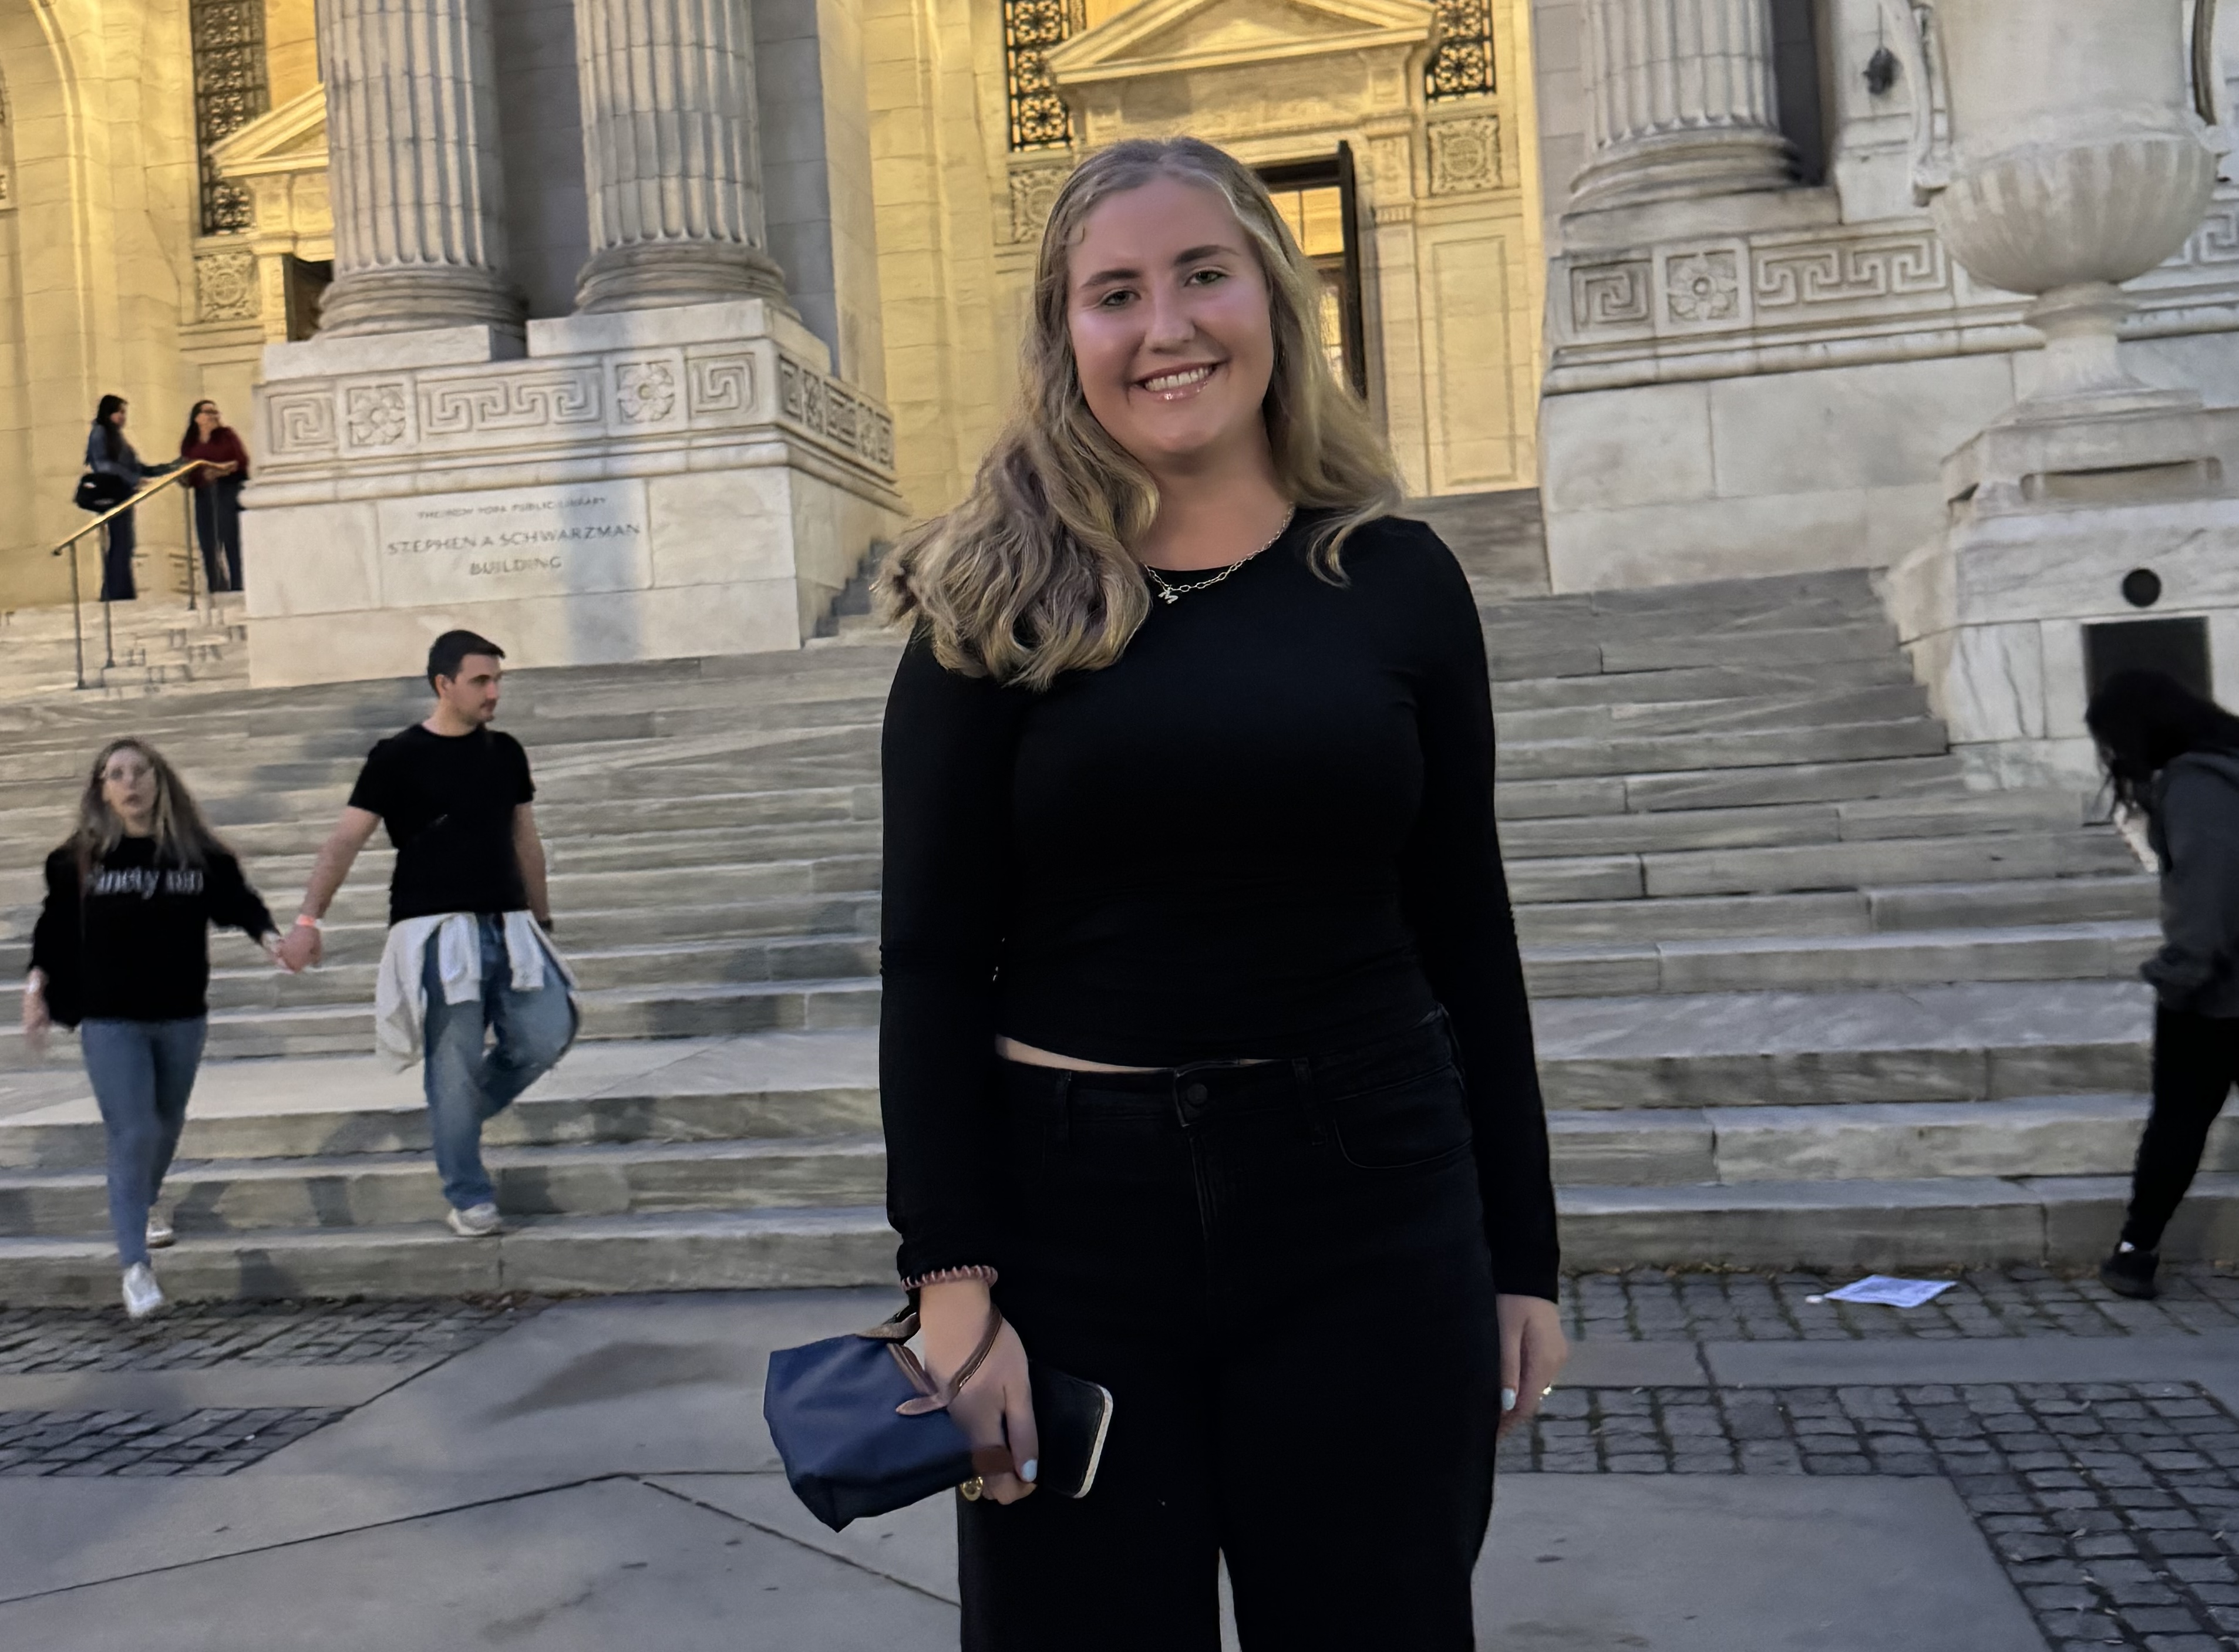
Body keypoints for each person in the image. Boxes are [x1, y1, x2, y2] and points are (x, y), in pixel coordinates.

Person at [872, 136, 1567, 1650]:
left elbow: (1466, 926)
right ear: (1064, 336)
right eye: (1113, 293)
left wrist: (1522, 1256)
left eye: (1203, 274)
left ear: (1275, 295)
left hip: (1369, 1201)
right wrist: (951, 1285)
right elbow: (928, 958)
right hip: (1071, 1228)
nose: (1165, 327)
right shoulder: (987, 600)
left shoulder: (1395, 581)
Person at [275, 630, 575, 1238]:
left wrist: (542, 920)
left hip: (509, 923)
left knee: (549, 1031)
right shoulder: (397, 756)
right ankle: (468, 1193)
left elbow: (525, 838)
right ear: (444, 684)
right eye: (480, 681)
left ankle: (453, 1121)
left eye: (497, 681)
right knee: (452, 1063)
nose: (493, 693)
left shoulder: (506, 752)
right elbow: (345, 841)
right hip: (437, 931)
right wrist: (308, 920)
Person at [21, 739, 281, 1320]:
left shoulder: (196, 855)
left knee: (166, 1124)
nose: (130, 783)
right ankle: (135, 1268)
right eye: (116, 774)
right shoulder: (78, 860)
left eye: (140, 772)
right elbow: (54, 927)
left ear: (160, 782)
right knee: (133, 1130)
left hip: (181, 1012)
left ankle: (146, 1199)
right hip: (110, 1017)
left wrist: (271, 939)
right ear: (102, 789)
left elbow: (238, 902)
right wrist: (36, 987)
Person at [2086, 669, 2239, 1300]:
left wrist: (2180, 973)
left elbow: (2210, 888)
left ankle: (2136, 1251)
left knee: (2177, 1121)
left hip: (2215, 991)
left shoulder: (2197, 785)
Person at [82, 395, 181, 602]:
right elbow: (103, 465)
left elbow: (139, 467)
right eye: (120, 412)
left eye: (124, 413)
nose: (123, 417)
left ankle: (119, 591)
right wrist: (133, 479)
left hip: (123, 493)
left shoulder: (116, 436)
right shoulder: (101, 432)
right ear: (109, 412)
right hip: (113, 494)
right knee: (121, 542)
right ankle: (116, 593)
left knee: (125, 542)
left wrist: (169, 468)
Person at [179, 399, 250, 594]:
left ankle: (238, 585)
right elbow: (186, 467)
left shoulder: (227, 435)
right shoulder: (190, 442)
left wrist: (219, 471)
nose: (214, 416)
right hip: (203, 493)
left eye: (215, 412)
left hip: (227, 490)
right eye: (208, 412)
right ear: (197, 418)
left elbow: (241, 460)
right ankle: (216, 586)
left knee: (231, 538)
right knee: (208, 542)